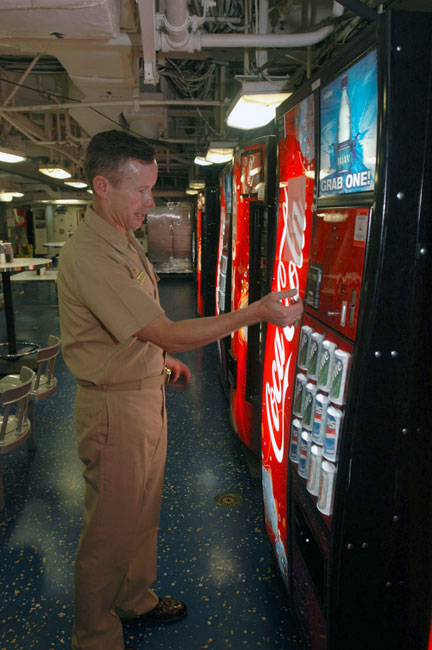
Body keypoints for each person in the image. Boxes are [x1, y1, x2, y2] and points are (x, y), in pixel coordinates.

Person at [57, 129, 304, 650]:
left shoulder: (121, 238)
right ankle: (95, 635)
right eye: (141, 191)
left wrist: (160, 360)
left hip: (141, 393)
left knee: (142, 512)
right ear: (102, 186)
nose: (151, 201)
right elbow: (164, 326)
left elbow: (131, 327)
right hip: (113, 408)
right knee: (109, 528)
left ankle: (135, 598)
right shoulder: (93, 255)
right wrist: (255, 312)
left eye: (151, 189)